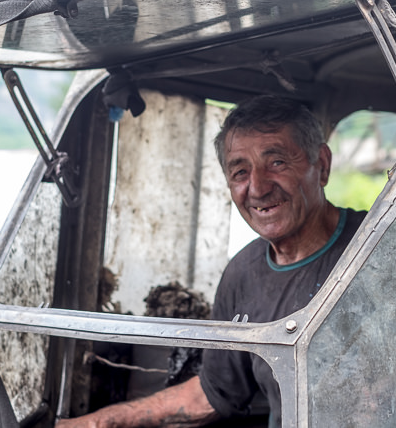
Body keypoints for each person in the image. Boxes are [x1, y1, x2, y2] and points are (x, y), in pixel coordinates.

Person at [57, 95, 366, 427]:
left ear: (322, 164)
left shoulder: (379, 248)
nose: (258, 188)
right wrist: (100, 422)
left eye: (277, 162)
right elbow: (215, 392)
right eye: (240, 172)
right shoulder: (243, 273)